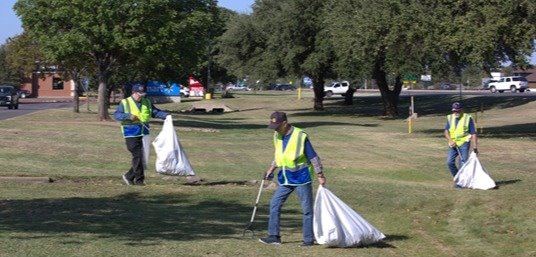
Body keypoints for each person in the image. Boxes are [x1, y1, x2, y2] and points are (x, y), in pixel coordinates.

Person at [259, 111, 326, 247]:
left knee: (307, 210)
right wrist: (271, 169)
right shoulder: (277, 135)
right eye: (273, 126)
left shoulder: (300, 136)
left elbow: (313, 156)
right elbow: (280, 156)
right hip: (286, 178)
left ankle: (308, 240)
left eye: (277, 126)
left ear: (285, 123)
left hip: (301, 178)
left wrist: (320, 175)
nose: (275, 129)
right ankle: (274, 236)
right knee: (274, 204)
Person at [114, 83, 169, 186]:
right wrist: (128, 116)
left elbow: (155, 112)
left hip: (144, 132)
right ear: (133, 93)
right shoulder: (125, 102)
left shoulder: (147, 102)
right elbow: (117, 115)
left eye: (143, 93)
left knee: (143, 158)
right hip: (130, 133)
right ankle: (139, 181)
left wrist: (166, 115)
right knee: (138, 155)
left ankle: (129, 176)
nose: (141, 96)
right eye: (139, 93)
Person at [444, 102, 478, 181]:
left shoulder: (467, 118)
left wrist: (475, 146)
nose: (456, 112)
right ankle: (458, 178)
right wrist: (450, 140)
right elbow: (446, 131)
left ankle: (463, 181)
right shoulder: (450, 118)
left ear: (461, 110)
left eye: (457, 111)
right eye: (454, 111)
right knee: (449, 162)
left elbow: (473, 133)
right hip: (453, 144)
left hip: (464, 143)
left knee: (464, 163)